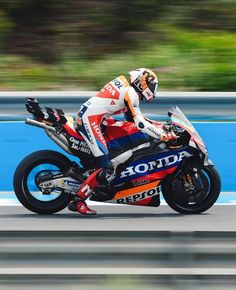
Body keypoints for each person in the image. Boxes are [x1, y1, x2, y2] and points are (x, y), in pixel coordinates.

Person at [68, 68, 176, 215]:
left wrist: (160, 126)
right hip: (91, 120)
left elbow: (132, 119)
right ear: (142, 82)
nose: (152, 90)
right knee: (105, 165)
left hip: (97, 119)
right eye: (151, 86)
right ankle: (78, 200)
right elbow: (140, 123)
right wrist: (161, 135)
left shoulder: (128, 90)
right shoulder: (131, 93)